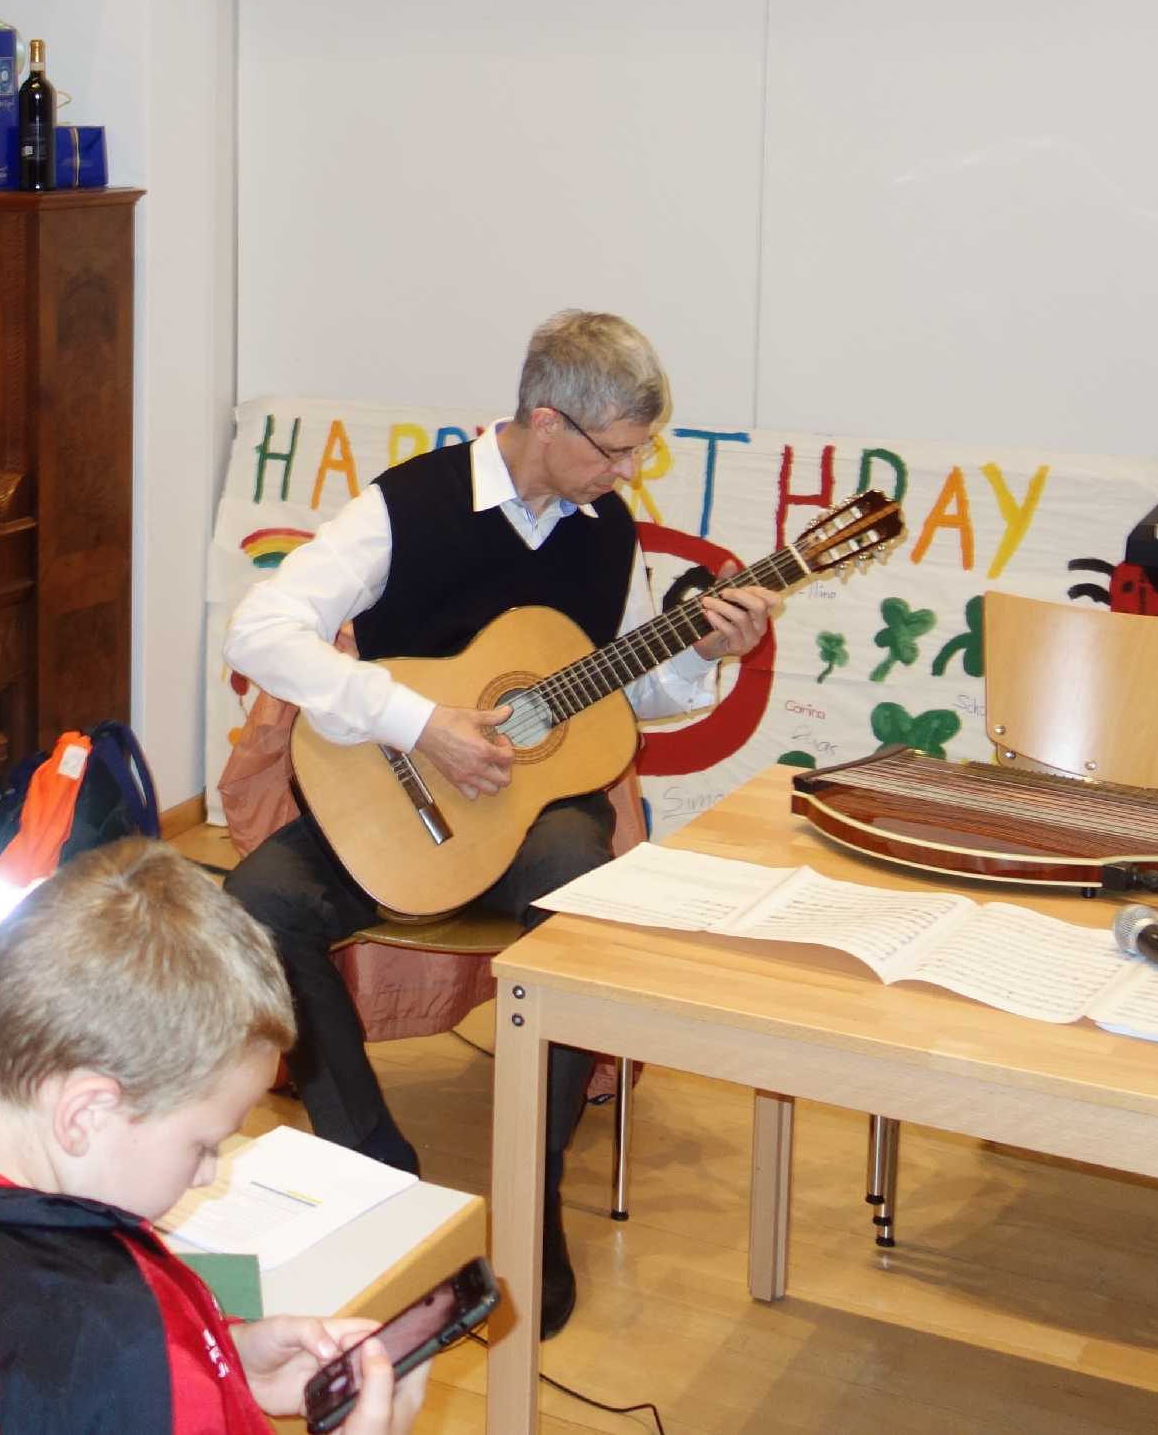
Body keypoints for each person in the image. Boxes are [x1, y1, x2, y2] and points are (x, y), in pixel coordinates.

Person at [220, 310, 775, 1340]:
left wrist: (702, 652)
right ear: (544, 419)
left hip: (534, 819)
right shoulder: (407, 506)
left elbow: (622, 691)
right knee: (253, 909)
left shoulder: (605, 528)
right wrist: (419, 721)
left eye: (639, 450)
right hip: (392, 798)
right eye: (615, 449)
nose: (629, 471)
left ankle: (530, 1197)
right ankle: (377, 1183)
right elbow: (260, 630)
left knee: (578, 903)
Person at [0, 838, 434, 1435]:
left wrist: (222, 1355)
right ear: (85, 1116)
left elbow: (14, 1384)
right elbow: (99, 1369)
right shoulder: (114, 1346)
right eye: (203, 1145)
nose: (209, 1174)